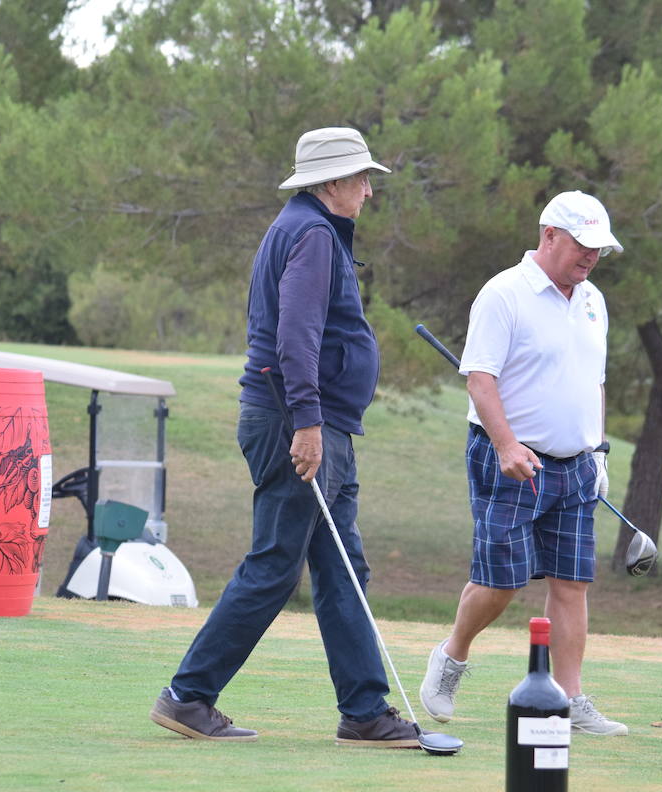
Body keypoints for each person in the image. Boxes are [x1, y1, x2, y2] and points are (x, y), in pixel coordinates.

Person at [150, 127, 421, 747]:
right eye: (360, 178)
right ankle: (188, 695)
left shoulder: (304, 229)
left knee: (341, 565)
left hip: (314, 421)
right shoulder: (314, 235)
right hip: (297, 422)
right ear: (330, 182)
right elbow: (293, 337)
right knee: (276, 563)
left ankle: (365, 711)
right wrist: (307, 422)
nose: (369, 191)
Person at [419, 190, 629, 736]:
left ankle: (569, 697)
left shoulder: (592, 300)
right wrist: (509, 446)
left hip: (576, 464)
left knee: (571, 582)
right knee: (501, 582)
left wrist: (598, 448)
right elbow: (481, 380)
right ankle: (452, 655)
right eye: (583, 246)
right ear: (549, 236)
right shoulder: (504, 294)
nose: (590, 258)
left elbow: (594, 382)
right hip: (509, 457)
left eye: (598, 250)